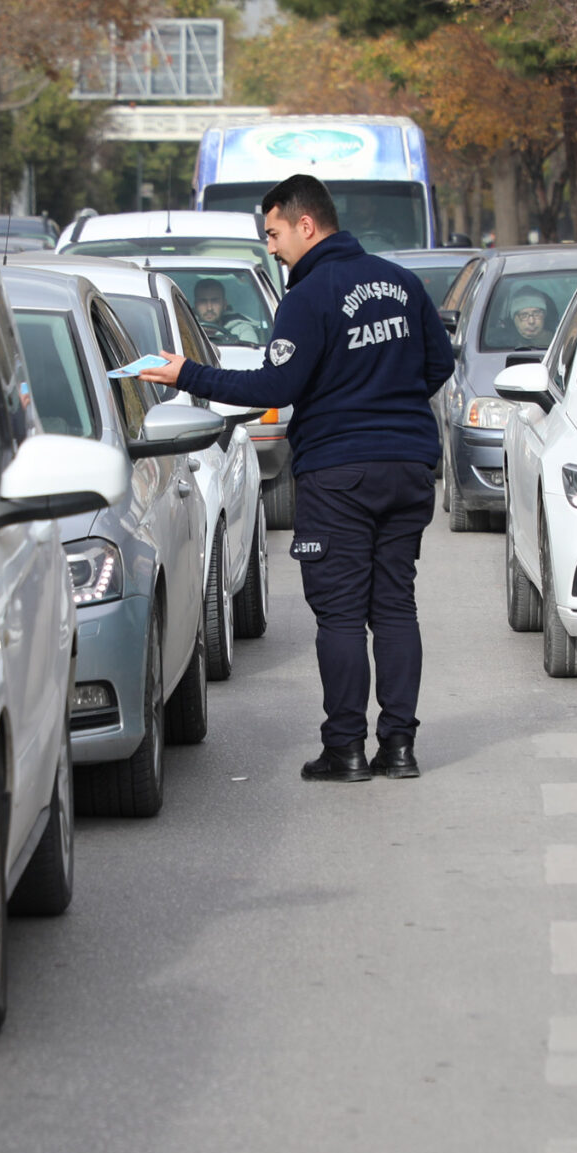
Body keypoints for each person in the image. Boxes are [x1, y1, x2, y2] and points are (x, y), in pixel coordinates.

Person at [140, 173, 455, 782]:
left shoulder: (309, 297)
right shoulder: (402, 282)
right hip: (409, 466)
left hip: (339, 474)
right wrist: (387, 402)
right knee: (393, 606)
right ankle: (399, 748)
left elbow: (273, 388)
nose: (274, 246)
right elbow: (437, 363)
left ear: (305, 224)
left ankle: (346, 750)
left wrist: (187, 374)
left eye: (275, 233)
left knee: (339, 615)